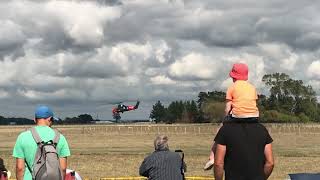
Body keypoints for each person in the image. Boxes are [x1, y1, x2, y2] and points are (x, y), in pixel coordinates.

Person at [204, 62, 260, 170]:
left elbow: (228, 107)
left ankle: (212, 157)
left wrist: (224, 120)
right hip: (254, 116)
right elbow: (253, 104)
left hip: (238, 116)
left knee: (219, 132)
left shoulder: (232, 87)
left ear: (233, 76)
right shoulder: (252, 88)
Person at [13, 105, 71, 180]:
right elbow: (63, 168)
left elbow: (20, 168)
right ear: (50, 119)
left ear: (34, 120)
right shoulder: (60, 138)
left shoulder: (22, 137)